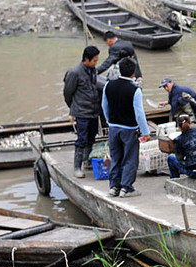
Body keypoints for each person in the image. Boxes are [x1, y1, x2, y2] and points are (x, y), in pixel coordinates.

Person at [101, 58, 151, 198]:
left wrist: (109, 121)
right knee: (129, 158)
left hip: (113, 128)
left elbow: (104, 106)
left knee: (116, 158)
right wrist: (146, 132)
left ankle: (114, 187)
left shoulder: (108, 85)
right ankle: (126, 188)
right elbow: (139, 114)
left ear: (120, 71)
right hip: (129, 129)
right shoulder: (135, 90)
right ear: (133, 73)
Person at [63, 45, 101, 178]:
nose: (96, 62)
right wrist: (73, 110)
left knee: (91, 137)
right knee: (81, 139)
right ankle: (77, 167)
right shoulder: (74, 72)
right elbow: (68, 93)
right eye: (95, 60)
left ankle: (87, 161)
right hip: (81, 112)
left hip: (93, 111)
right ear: (87, 59)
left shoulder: (93, 70)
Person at [167, 115, 196, 179]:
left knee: (171, 158)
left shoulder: (178, 139)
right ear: (190, 123)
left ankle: (174, 180)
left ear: (178, 126)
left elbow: (179, 158)